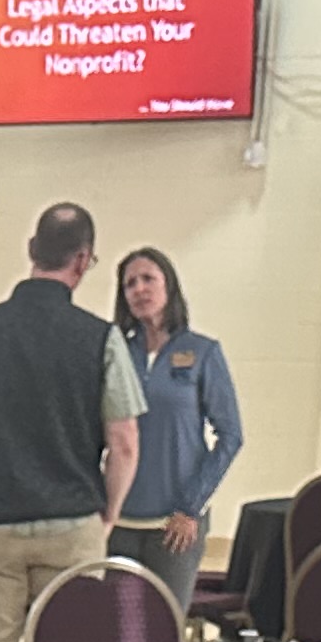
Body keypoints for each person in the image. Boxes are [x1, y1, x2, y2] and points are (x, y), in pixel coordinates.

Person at [0, 199, 144, 642]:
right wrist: (107, 516)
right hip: (72, 523)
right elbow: (124, 443)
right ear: (82, 260)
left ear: (31, 249)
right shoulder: (101, 338)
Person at [109, 246, 241, 610]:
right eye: (130, 284)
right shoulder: (115, 353)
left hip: (175, 525)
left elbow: (231, 435)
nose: (139, 289)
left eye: (148, 279)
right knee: (118, 626)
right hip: (120, 522)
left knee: (163, 626)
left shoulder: (203, 352)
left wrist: (191, 506)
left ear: (169, 286)